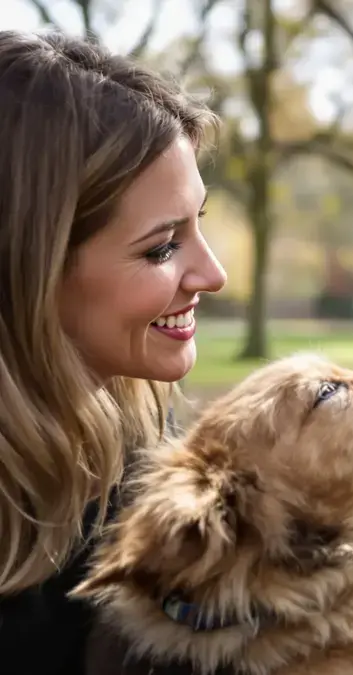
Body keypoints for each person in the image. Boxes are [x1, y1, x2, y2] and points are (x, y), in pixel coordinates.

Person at [0, 29, 227, 674]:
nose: (212, 274)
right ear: (27, 268)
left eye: (197, 224)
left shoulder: (147, 451)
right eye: (161, 248)